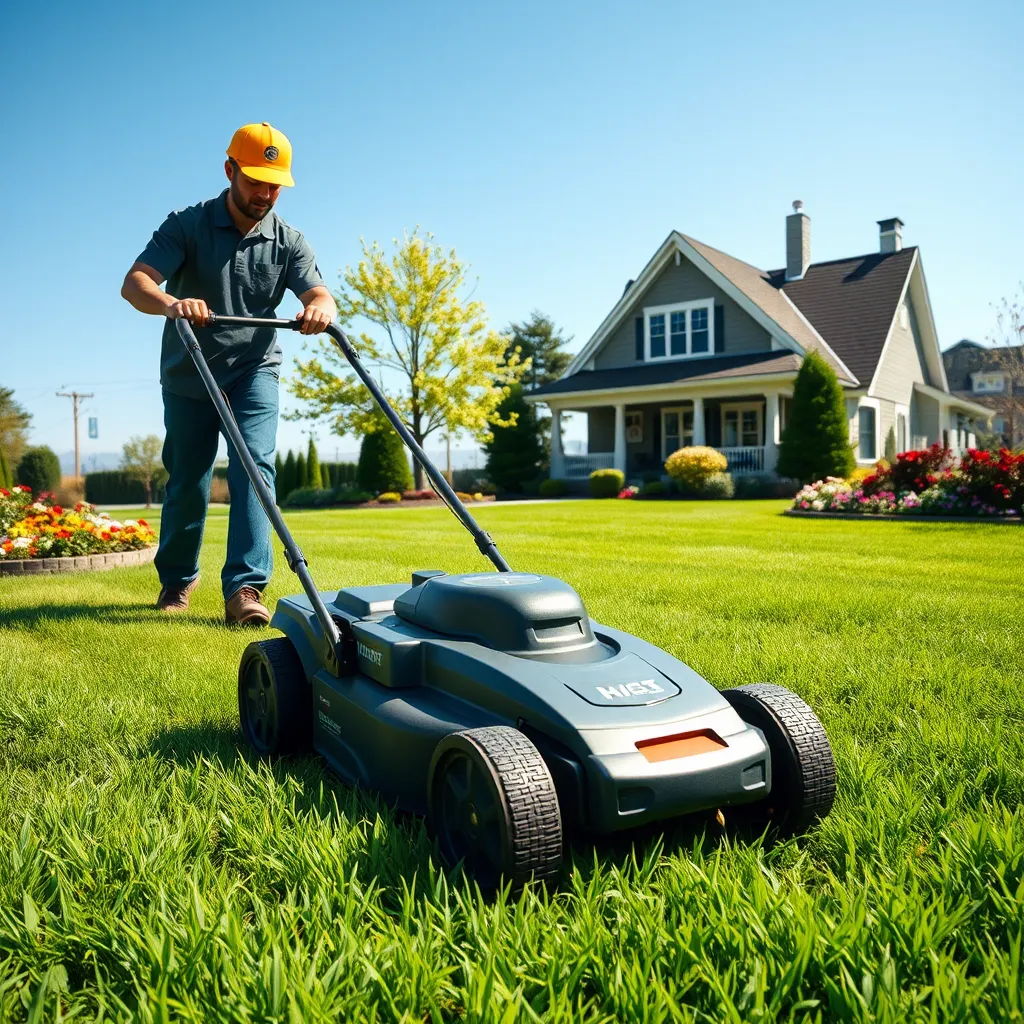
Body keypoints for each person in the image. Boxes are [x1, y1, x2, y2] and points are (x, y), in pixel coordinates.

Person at [121, 122, 336, 625]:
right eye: (256, 180)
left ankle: (244, 589)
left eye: (274, 184)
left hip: (254, 371)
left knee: (254, 468)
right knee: (188, 481)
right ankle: (177, 580)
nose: (265, 193)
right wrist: (173, 302)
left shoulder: (289, 240)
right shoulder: (187, 225)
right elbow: (135, 284)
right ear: (230, 170)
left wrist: (320, 309)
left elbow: (318, 293)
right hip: (188, 372)